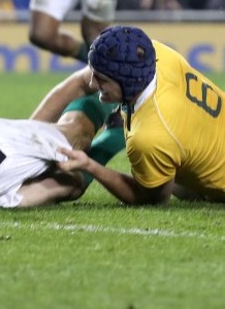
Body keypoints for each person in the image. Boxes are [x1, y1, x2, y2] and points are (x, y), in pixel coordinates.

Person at [51, 25, 225, 205]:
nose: (92, 83)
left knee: (167, 178)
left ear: (127, 83)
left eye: (101, 79)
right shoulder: (157, 53)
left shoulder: (149, 137)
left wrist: (90, 165)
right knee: (175, 167)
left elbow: (152, 198)